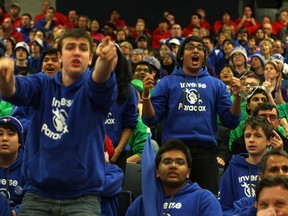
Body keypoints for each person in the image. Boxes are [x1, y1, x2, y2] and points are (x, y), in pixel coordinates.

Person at [0, 28, 118, 215]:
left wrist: (105, 62)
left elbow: (100, 80)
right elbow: (14, 90)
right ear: (60, 57)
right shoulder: (43, 84)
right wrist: (5, 78)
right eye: (70, 47)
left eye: (83, 48)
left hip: (83, 198)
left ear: (90, 58)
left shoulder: (93, 88)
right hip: (38, 195)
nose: (77, 52)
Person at [142, 35, 242, 194]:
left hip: (205, 153)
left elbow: (231, 121)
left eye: (200, 48)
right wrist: (146, 95)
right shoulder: (167, 83)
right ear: (181, 55)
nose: (195, 50)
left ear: (204, 57)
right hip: (174, 150)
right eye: (190, 47)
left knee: (207, 202)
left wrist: (237, 97)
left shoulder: (216, 85)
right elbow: (150, 119)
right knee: (171, 202)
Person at [126, 138, 223, 215]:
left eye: (180, 162)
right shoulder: (142, 203)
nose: (173, 166)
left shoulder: (204, 199)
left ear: (188, 172)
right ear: (157, 171)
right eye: (167, 161)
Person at [218, 116, 274, 213]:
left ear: (269, 141)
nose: (251, 140)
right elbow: (224, 208)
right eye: (247, 136)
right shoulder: (233, 167)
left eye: (257, 135)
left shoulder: (276, 168)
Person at [232, 149, 288, 215]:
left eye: (285, 169)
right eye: (274, 170)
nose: (281, 173)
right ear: (261, 177)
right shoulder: (243, 204)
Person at [0, 116, 25, 216]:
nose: (4, 138)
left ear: (20, 142)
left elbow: (36, 199)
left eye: (11, 134)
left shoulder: (30, 167)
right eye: (0, 134)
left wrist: (16, 212)